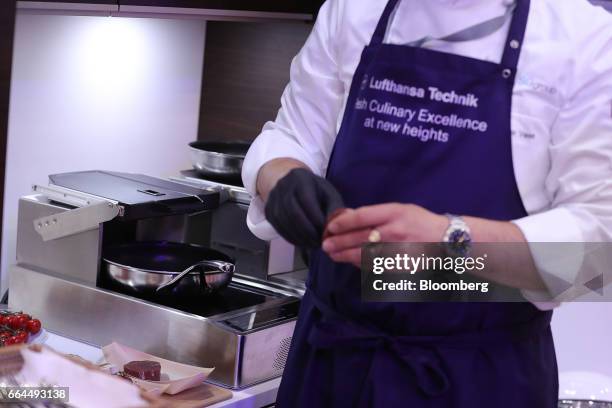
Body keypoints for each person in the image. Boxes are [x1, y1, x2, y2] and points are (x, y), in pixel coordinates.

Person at [241, 0, 612, 406]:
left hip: (479, 378)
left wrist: (452, 242)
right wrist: (279, 177)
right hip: (330, 364)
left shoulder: (584, 40)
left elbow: (599, 246)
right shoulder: (353, 10)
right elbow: (292, 134)